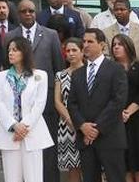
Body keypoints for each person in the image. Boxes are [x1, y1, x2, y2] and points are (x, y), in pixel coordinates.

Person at [68, 28, 128, 182]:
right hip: (85, 139)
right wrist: (83, 126)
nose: (86, 45)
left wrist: (96, 128)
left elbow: (118, 101)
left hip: (110, 136)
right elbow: (72, 104)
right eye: (84, 42)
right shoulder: (77, 74)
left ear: (102, 45)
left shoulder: (116, 69)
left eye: (90, 41)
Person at [15, 0, 64, 182]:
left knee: (48, 148)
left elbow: (58, 68)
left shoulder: (50, 34)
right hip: (20, 103)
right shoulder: (11, 36)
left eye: (31, 11)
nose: (28, 14)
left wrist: (57, 97)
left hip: (47, 102)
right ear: (18, 14)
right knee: (23, 149)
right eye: (24, 11)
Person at [0, 36, 54, 182]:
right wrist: (14, 125)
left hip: (32, 133)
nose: (10, 53)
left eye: (15, 50)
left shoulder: (40, 75)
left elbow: (39, 105)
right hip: (9, 133)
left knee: (34, 177)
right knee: (11, 178)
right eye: (9, 50)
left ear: (25, 52)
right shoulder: (1, 76)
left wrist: (23, 127)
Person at [110, 34, 139, 182]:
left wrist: (128, 112)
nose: (116, 47)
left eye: (120, 44)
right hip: (117, 121)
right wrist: (119, 113)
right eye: (114, 45)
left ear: (128, 47)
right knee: (125, 166)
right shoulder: (110, 69)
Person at [54, 38, 84, 182]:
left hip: (88, 124)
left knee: (92, 166)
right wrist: (72, 121)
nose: (71, 53)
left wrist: (81, 123)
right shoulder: (60, 75)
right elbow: (57, 101)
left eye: (74, 50)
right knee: (73, 168)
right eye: (68, 51)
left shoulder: (90, 72)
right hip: (67, 126)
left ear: (82, 52)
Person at [100, 0, 139, 68]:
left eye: (122, 9)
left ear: (130, 11)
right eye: (116, 10)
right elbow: (106, 56)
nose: (119, 12)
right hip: (115, 71)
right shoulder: (106, 32)